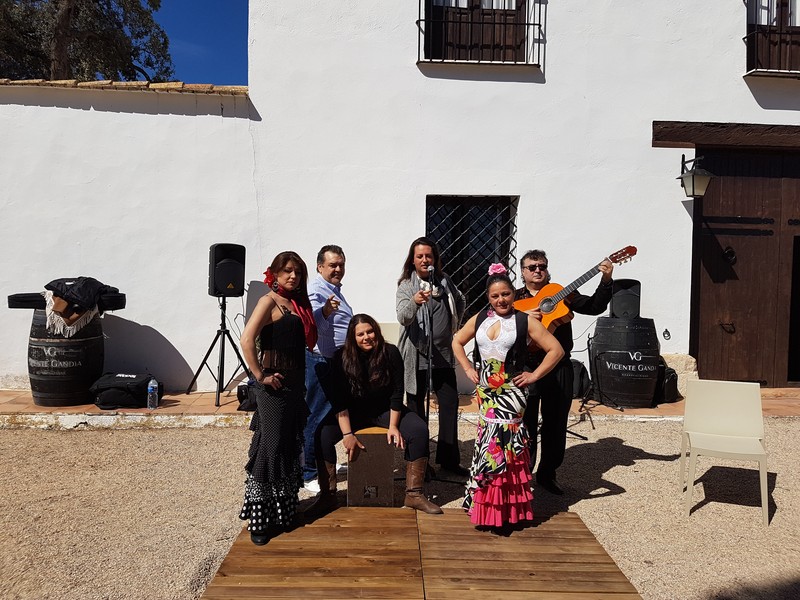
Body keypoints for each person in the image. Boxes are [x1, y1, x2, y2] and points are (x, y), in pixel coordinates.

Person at [452, 264, 564, 531]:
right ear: (488, 298)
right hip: (486, 390)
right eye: (495, 296)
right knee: (487, 441)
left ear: (513, 294)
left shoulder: (524, 321)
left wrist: (534, 375)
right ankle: (487, 506)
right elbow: (456, 341)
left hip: (512, 390)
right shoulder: (480, 318)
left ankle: (505, 511)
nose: (501, 300)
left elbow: (556, 350)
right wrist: (468, 368)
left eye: (505, 294)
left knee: (504, 444)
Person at [308, 314, 443, 516]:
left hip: (384, 410)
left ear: (376, 331)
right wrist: (347, 435)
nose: (366, 337)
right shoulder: (340, 358)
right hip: (352, 412)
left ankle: (414, 494)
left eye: (370, 331)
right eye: (360, 334)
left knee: (419, 430)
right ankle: (327, 496)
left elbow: (397, 393)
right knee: (322, 435)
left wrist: (393, 426)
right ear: (352, 338)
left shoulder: (391, 352)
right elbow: (338, 401)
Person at [516, 249, 613, 495]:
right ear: (523, 271)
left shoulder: (562, 293)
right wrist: (521, 317)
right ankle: (523, 473)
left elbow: (593, 307)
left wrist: (606, 280)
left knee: (556, 423)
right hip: (526, 366)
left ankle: (548, 474)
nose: (538, 270)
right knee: (524, 423)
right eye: (532, 267)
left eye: (542, 266)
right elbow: (496, 319)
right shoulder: (515, 298)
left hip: (559, 367)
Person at [238, 251, 318, 545]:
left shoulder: (297, 304)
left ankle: (282, 512)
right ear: (274, 273)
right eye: (287, 271)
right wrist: (260, 375)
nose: (293, 276)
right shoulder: (268, 301)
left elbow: (309, 342)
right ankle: (259, 520)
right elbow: (247, 339)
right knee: (269, 449)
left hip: (295, 386)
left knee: (287, 446)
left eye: (297, 271)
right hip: (273, 386)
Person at [396, 237, 467, 476]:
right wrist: (415, 302)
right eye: (420, 256)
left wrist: (454, 326)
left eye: (429, 256)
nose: (425, 260)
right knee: (416, 410)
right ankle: (419, 462)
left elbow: (460, 300)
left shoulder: (444, 280)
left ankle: (448, 460)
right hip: (417, 355)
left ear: (435, 259)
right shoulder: (406, 285)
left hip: (444, 355)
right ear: (412, 260)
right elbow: (403, 318)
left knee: (449, 404)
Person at [302, 245, 353, 493]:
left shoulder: (335, 290)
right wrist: (324, 311)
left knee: (332, 415)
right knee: (315, 415)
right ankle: (310, 471)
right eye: (333, 265)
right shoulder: (316, 290)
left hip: (336, 361)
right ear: (320, 267)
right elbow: (313, 324)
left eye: (341, 264)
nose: (338, 269)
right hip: (321, 361)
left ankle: (326, 464)